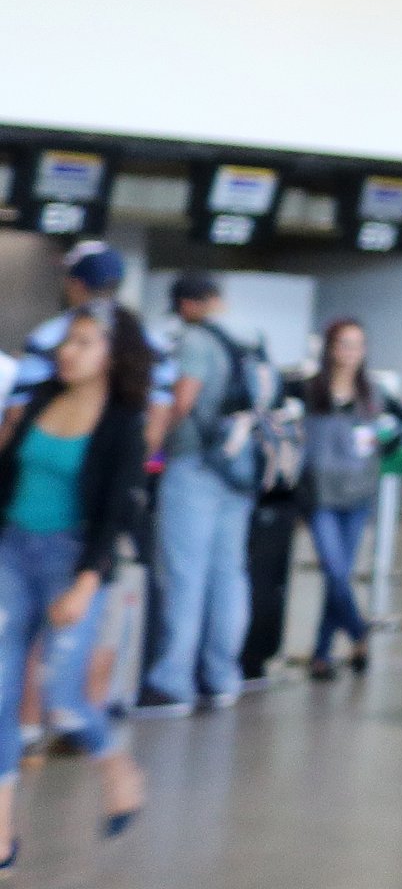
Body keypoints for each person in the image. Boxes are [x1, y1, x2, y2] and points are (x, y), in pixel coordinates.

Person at [0, 304, 151, 861]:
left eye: (85, 342)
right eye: (69, 340)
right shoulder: (40, 402)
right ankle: (0, 836)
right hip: (11, 553)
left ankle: (115, 766)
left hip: (72, 562)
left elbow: (116, 512)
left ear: (114, 355)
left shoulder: (121, 425)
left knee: (64, 699)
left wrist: (88, 581)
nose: (69, 351)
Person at [141, 271, 269, 717]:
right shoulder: (252, 338)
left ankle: (172, 681)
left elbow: (182, 400)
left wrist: (153, 442)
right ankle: (221, 677)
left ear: (189, 304)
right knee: (228, 576)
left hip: (195, 466)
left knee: (183, 575)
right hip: (240, 469)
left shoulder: (195, 340)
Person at [289, 319, 399, 678]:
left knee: (341, 575)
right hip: (319, 492)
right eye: (343, 344)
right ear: (330, 348)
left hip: (358, 491)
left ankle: (322, 652)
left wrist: (384, 437)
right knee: (335, 571)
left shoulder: (375, 394)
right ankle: (358, 632)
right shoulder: (307, 391)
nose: (350, 352)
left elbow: (394, 430)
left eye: (357, 344)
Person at [8, 241, 133, 407]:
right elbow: (158, 407)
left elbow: (18, 405)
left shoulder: (48, 336)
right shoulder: (142, 337)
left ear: (76, 284)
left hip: (56, 428)